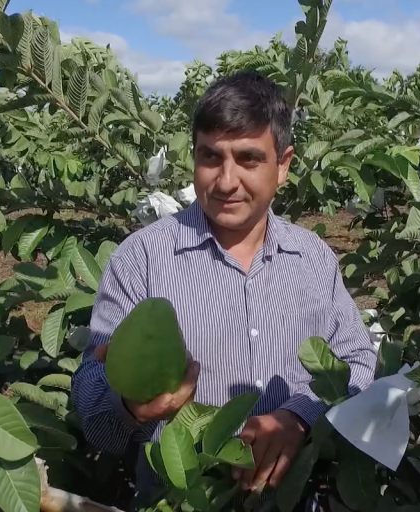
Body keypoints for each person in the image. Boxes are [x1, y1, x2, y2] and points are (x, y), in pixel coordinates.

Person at [72, 70, 377, 507]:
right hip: (183, 498)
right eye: (211, 157)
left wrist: (299, 416)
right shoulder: (140, 258)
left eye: (249, 159)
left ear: (284, 165)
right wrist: (131, 405)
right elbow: (92, 404)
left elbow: (358, 360)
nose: (227, 180)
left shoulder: (313, 259)